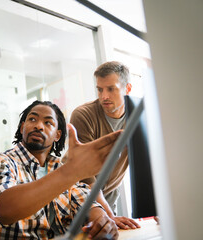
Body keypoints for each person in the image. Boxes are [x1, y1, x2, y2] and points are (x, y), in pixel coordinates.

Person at [0, 100, 121, 239]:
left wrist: (102, 222)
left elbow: (86, 202)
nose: (39, 126)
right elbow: (3, 210)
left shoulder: (59, 168)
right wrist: (71, 171)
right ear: (23, 126)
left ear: (57, 135)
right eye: (32, 119)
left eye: (48, 122)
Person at [69, 61, 140, 229]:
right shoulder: (83, 115)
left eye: (111, 89)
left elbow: (148, 166)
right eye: (100, 89)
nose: (104, 96)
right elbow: (85, 175)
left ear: (127, 89)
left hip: (109, 200)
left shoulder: (137, 118)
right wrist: (109, 215)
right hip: (77, 201)